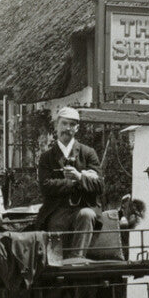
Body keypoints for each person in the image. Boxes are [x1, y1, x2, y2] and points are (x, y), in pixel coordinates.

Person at [33, 106, 103, 263]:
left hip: (82, 208)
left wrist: (79, 176)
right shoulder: (47, 157)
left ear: (77, 128)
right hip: (57, 210)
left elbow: (100, 186)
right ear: (57, 125)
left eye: (72, 125)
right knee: (55, 229)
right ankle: (57, 265)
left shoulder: (88, 153)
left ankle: (77, 261)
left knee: (87, 215)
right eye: (64, 123)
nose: (67, 128)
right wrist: (74, 182)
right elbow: (45, 186)